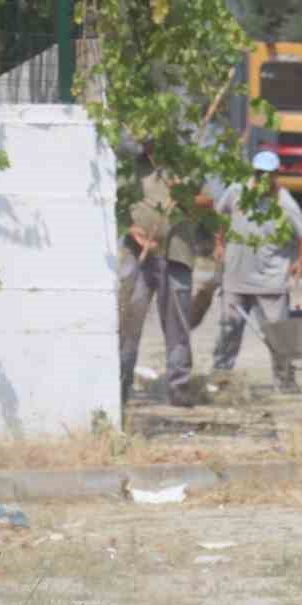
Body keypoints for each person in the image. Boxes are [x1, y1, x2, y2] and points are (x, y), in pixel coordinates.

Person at [209, 150, 302, 388]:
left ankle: (285, 382)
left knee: (278, 336)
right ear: (254, 173)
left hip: (270, 280)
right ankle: (219, 379)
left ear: (276, 175)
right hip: (235, 277)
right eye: (259, 174)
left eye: (269, 174)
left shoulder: (283, 200)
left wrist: (299, 263)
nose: (263, 179)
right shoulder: (236, 192)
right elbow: (219, 217)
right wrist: (218, 243)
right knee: (228, 331)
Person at [118, 143, 199, 408]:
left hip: (176, 254)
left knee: (177, 326)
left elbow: (207, 202)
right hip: (138, 255)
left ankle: (179, 388)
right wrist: (134, 232)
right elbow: (116, 203)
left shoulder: (184, 165)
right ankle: (120, 385)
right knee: (129, 320)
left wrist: (185, 193)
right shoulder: (132, 167)